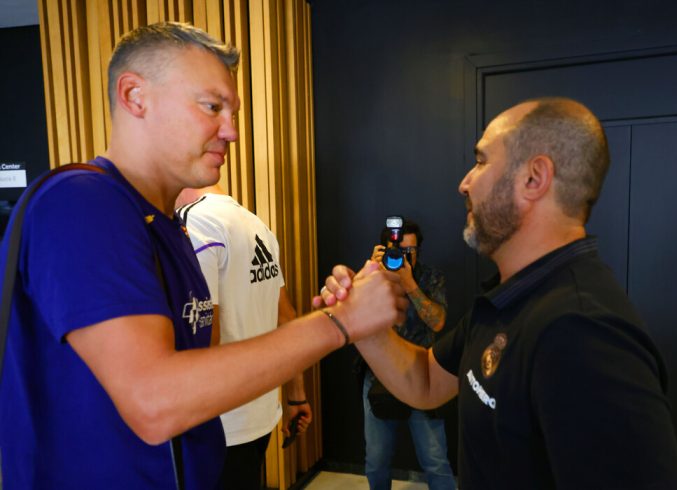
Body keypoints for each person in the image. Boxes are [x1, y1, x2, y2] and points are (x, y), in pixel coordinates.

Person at [0, 22, 407, 489]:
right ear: (134, 96)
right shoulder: (81, 201)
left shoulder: (167, 224)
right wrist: (339, 323)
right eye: (212, 107)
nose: (231, 131)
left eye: (232, 112)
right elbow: (156, 402)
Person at [316, 97, 677, 489]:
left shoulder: (583, 332)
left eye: (480, 161)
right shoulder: (506, 299)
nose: (464, 183)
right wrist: (362, 324)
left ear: (533, 179)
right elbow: (426, 380)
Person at [176, 185, 312, 489]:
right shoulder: (258, 226)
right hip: (259, 414)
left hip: (220, 420)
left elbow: (204, 326)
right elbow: (287, 317)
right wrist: (296, 395)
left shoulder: (195, 222)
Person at [363, 219, 454, 490]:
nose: (403, 257)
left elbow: (437, 322)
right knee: (376, 461)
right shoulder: (372, 278)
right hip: (379, 376)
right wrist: (368, 274)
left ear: (418, 251)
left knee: (436, 461)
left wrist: (409, 283)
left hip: (422, 375)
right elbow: (354, 320)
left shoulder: (430, 277)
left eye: (409, 251)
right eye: (397, 251)